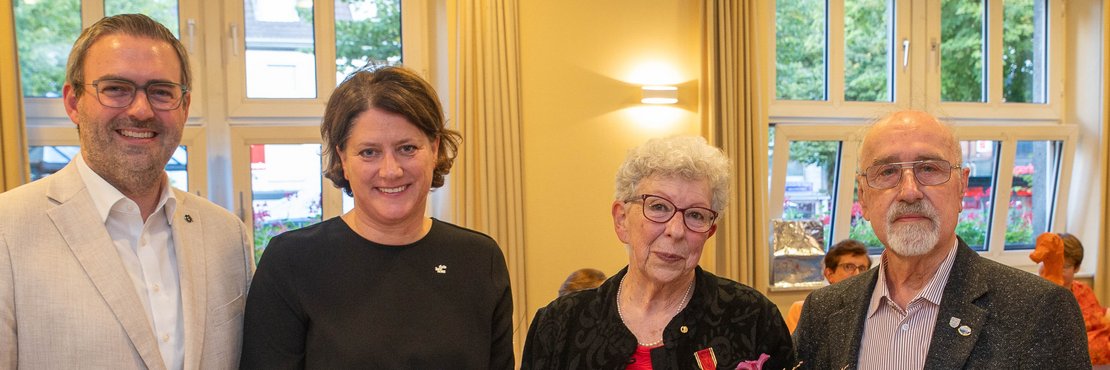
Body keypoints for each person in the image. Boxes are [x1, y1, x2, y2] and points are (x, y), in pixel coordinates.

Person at [0, 14, 254, 369]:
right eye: (116, 88)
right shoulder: (8, 230)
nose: (141, 110)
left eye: (161, 92)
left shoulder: (225, 235)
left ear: (184, 107)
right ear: (73, 103)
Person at [239, 65, 513, 369]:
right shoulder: (291, 261)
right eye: (369, 152)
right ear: (343, 159)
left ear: (434, 149)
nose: (391, 170)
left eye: (407, 148)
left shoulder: (479, 259)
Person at [793, 110, 1089, 369]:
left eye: (929, 169)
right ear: (864, 197)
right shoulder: (823, 312)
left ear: (962, 187)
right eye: (887, 172)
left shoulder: (1037, 311)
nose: (909, 191)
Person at [521, 136, 794, 369]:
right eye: (658, 207)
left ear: (709, 231)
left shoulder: (753, 317)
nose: (676, 231)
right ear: (621, 220)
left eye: (696, 214)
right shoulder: (560, 324)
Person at [784, 239, 871, 333]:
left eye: (862, 268)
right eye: (848, 267)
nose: (857, 274)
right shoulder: (803, 310)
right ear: (829, 274)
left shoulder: (872, 311)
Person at [1059, 233, 1110, 364]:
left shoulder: (1083, 290)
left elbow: (1098, 318)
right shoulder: (1038, 297)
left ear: (1076, 268)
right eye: (1049, 264)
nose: (1055, 271)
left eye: (1063, 267)